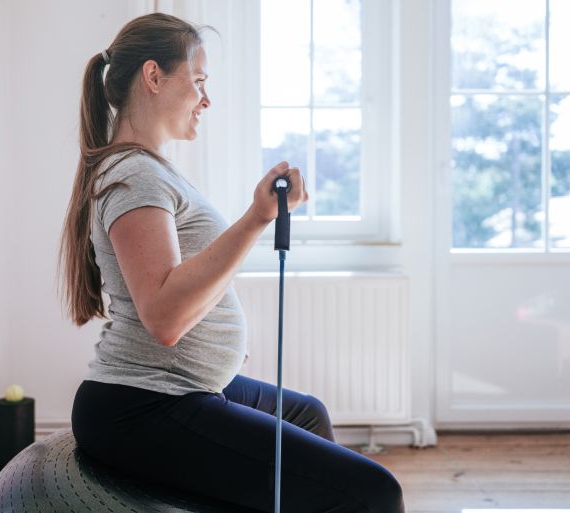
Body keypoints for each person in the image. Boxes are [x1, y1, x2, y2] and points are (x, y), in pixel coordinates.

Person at [58, 12, 404, 513]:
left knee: (308, 415)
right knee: (376, 493)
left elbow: (178, 287)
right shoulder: (134, 175)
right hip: (143, 405)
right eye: (198, 81)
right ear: (154, 77)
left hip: (179, 386)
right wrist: (257, 218)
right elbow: (165, 316)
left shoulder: (148, 169)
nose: (206, 98)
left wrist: (217, 342)